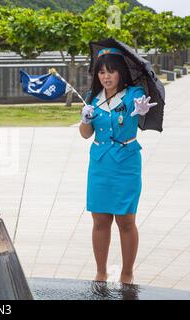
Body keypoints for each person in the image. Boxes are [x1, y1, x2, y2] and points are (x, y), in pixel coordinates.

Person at [79, 47, 157, 285]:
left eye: (111, 71)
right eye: (102, 72)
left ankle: (127, 272)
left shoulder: (134, 94)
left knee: (126, 220)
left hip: (125, 162)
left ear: (120, 72)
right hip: (100, 164)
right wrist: (84, 120)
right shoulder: (94, 98)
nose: (106, 76)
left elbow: (140, 115)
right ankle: (100, 271)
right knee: (100, 220)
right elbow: (85, 134)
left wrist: (140, 113)